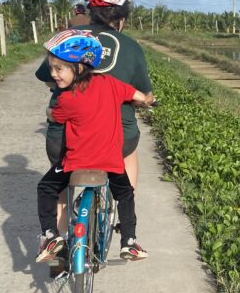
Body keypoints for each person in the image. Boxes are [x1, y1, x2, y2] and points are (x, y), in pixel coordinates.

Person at [35, 30, 154, 263]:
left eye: (59, 68)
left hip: (75, 164)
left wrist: (48, 111)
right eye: (52, 68)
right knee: (126, 193)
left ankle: (50, 236)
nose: (53, 74)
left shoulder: (67, 100)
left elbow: (54, 116)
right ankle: (129, 241)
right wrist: (148, 100)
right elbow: (139, 96)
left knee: (45, 187)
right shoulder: (111, 85)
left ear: (80, 67)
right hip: (111, 163)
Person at [37, 0, 153, 191]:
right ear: (122, 16)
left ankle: (61, 224)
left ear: (89, 10)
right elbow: (146, 93)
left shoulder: (66, 37)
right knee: (128, 152)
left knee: (61, 185)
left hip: (61, 138)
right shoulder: (130, 46)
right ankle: (125, 208)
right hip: (116, 139)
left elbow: (47, 77)